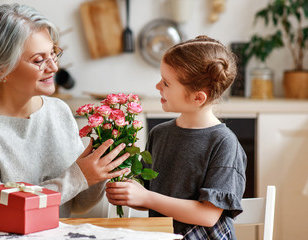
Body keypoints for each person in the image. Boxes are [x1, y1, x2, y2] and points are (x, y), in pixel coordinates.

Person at [0, 3, 130, 219]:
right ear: (1, 69)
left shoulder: (59, 112)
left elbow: (78, 204)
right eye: (39, 60)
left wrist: (100, 168)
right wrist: (77, 178)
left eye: (53, 53)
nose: (54, 67)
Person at [105, 36, 247, 239]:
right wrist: (127, 192)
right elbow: (147, 195)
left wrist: (146, 197)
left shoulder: (224, 143)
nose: (157, 87)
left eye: (166, 83)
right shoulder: (159, 133)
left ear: (198, 97)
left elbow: (207, 216)